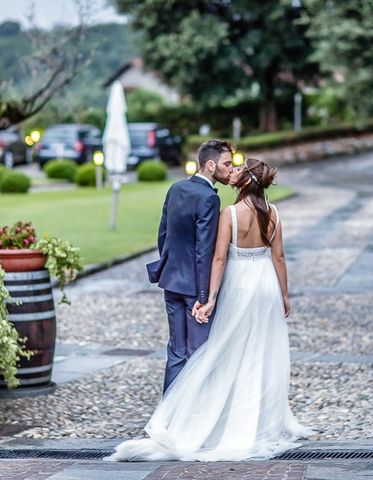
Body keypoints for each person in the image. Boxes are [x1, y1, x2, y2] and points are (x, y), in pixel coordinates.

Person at [107, 158, 311, 462]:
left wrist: (211, 297)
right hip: (266, 284)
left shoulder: (230, 214)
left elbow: (218, 260)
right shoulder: (275, 214)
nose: (233, 172)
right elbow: (279, 258)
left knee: (228, 349)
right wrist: (284, 294)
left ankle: (215, 417)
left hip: (240, 285)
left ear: (243, 182)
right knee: (260, 352)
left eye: (238, 170)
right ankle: (260, 421)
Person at [146, 139, 234, 394]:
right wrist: (205, 297)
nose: (230, 169)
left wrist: (171, 268)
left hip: (171, 281)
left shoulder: (175, 189)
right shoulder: (208, 198)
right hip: (195, 290)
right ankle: (194, 416)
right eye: (226, 164)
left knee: (176, 351)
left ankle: (169, 413)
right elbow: (204, 250)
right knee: (199, 353)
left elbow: (163, 236)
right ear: (210, 165)